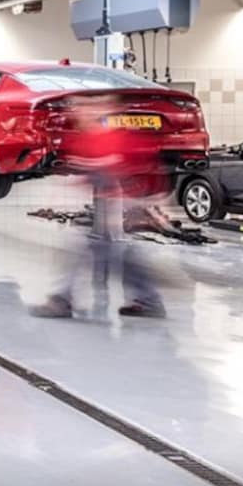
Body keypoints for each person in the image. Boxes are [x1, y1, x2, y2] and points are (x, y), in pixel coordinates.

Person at [30, 97, 167, 319]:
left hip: (125, 200)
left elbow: (116, 170)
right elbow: (92, 171)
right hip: (113, 203)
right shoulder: (89, 138)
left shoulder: (111, 137)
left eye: (87, 108)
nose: (81, 113)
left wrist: (133, 207)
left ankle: (62, 300)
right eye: (80, 108)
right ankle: (148, 300)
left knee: (94, 251)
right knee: (117, 255)